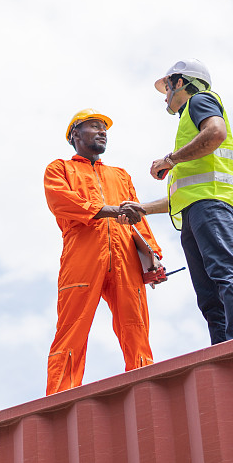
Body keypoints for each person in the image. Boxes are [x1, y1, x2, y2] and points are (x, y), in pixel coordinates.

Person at [120, 59, 233, 345]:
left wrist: (170, 159)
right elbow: (181, 195)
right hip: (197, 210)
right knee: (208, 294)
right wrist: (142, 208)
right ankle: (224, 348)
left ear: (180, 82)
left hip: (211, 205)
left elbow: (215, 133)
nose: (166, 96)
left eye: (167, 88)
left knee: (225, 272)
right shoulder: (187, 126)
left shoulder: (200, 101)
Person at [43, 108, 165, 395]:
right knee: (72, 326)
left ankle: (143, 384)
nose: (102, 132)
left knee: (135, 324)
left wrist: (153, 254)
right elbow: (62, 201)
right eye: (94, 126)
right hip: (82, 257)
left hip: (126, 257)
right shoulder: (60, 169)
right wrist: (108, 210)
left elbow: (138, 219)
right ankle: (60, 396)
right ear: (75, 134)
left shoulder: (120, 175)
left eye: (104, 128)